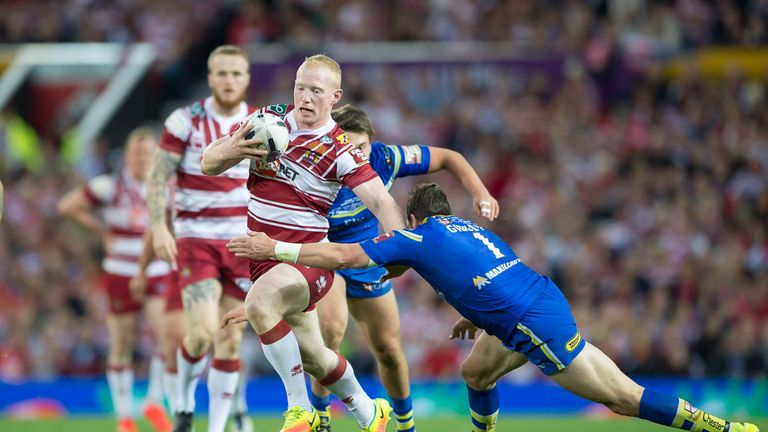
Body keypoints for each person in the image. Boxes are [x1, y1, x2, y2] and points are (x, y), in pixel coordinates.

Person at [224, 183, 761, 432]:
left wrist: (275, 252)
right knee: (475, 372)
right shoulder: (468, 228)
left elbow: (344, 255)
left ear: (412, 218)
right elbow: (492, 270)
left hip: (530, 322)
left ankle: (720, 429)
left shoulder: (417, 237)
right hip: (532, 300)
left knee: (623, 398)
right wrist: (470, 312)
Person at [201, 54, 403, 432]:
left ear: (335, 97)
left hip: (306, 263)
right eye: (300, 88)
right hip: (263, 261)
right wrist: (233, 150)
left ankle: (299, 410)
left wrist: (401, 248)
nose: (305, 98)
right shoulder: (268, 120)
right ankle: (367, 410)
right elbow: (208, 163)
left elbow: (382, 201)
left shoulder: (341, 150)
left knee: (260, 304)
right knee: (316, 358)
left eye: (316, 91)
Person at [309, 105, 499, 432]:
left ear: (373, 143)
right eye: (347, 149)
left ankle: (405, 426)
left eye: (362, 148)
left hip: (369, 261)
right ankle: (320, 418)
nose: (356, 156)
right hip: (328, 258)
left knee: (389, 350)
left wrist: (480, 192)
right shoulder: (314, 169)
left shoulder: (387, 158)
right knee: (330, 334)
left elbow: (449, 157)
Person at [146, 44, 254, 432]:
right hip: (197, 239)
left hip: (243, 243)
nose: (228, 80)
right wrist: (159, 226)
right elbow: (158, 176)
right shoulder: (185, 120)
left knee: (230, 340)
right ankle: (183, 401)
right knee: (203, 330)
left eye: (236, 73)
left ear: (247, 79)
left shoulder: (261, 124)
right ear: (210, 78)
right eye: (221, 73)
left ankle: (215, 426)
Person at [58, 127, 173, 432]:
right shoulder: (110, 187)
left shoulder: (164, 187)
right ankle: (124, 417)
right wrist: (101, 231)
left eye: (147, 152)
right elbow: (67, 206)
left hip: (156, 271)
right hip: (120, 271)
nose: (141, 158)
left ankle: (153, 401)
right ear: (127, 155)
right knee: (122, 342)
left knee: (167, 337)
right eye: (136, 152)